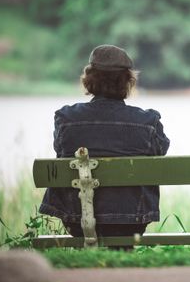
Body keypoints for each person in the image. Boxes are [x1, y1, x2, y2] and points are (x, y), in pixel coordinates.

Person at [39, 44, 169, 237]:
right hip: (131, 221)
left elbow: (61, 150)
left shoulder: (66, 118)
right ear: (128, 81)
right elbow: (160, 151)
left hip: (77, 220)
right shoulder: (147, 122)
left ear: (89, 80)